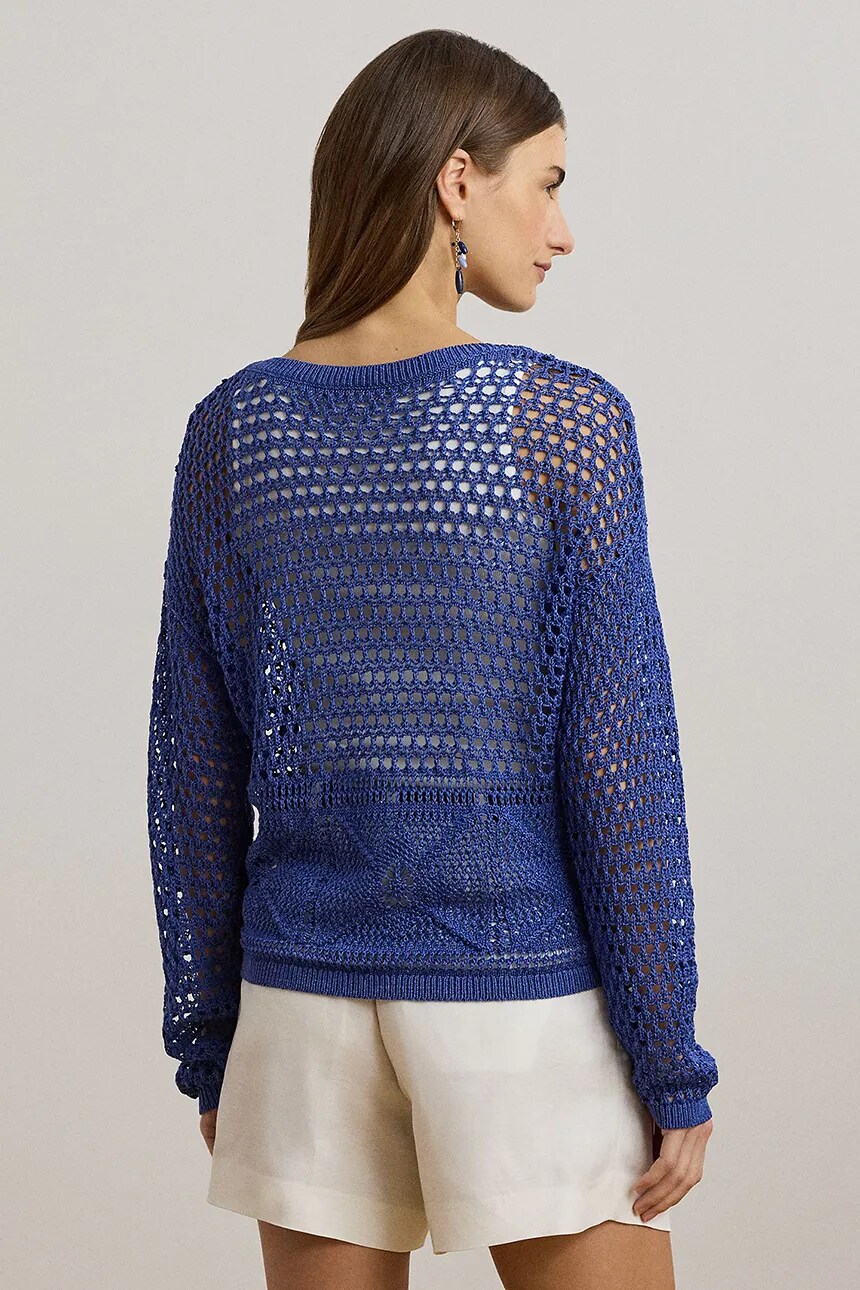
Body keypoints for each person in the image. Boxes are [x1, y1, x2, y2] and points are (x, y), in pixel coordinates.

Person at [146, 27, 718, 1290]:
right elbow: (618, 768)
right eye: (547, 184)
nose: (560, 231)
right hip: (516, 1000)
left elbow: (193, 768)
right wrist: (666, 1058)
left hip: (296, 1011)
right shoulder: (562, 420)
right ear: (459, 179)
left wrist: (215, 1042)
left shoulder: (232, 432)